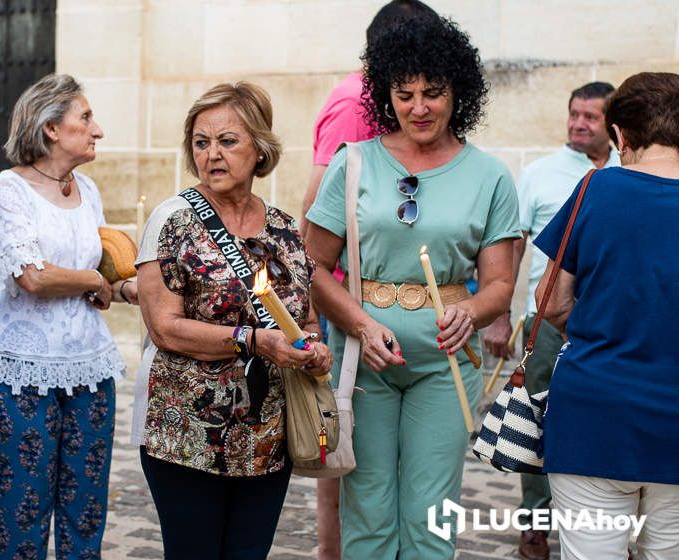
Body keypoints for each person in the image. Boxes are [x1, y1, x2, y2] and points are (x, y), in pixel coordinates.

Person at [305, 15, 521, 559]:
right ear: (386, 95)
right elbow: (310, 267)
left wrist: (471, 310)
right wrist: (359, 323)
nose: (419, 107)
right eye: (405, 94)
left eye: (433, 92)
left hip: (446, 364)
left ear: (459, 92)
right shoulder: (352, 163)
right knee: (368, 509)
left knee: (430, 516)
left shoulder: (490, 176)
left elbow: (499, 284)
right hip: (362, 356)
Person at [135, 82, 333, 560]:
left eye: (227, 141)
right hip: (189, 437)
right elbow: (164, 327)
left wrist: (313, 348)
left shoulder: (285, 229)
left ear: (259, 148)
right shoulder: (172, 221)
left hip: (266, 439)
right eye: (201, 143)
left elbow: (303, 319)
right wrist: (253, 341)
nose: (212, 155)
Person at [0, 74, 134, 560]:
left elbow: (92, 268)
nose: (98, 130)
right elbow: (32, 276)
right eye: (86, 117)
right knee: (22, 522)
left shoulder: (89, 189)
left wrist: (120, 286)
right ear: (51, 127)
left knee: (86, 517)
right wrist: (95, 283)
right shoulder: (7, 190)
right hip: (15, 373)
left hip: (88, 369)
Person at [299, 2, 440, 558]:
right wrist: (331, 312)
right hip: (355, 312)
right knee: (352, 464)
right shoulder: (354, 103)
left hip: (408, 327)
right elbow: (317, 211)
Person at [534, 71, 679, 560]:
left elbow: (550, 300)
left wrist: (596, 328)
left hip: (594, 413)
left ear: (619, 135)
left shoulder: (597, 187)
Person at [482, 81, 619, 560]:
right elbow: (510, 249)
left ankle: (599, 524)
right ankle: (535, 526)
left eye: (592, 117)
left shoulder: (631, 173)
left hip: (606, 329)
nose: (580, 124)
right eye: (574, 114)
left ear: (612, 124)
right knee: (533, 421)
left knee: (598, 423)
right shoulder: (540, 174)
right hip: (545, 323)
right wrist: (499, 317)